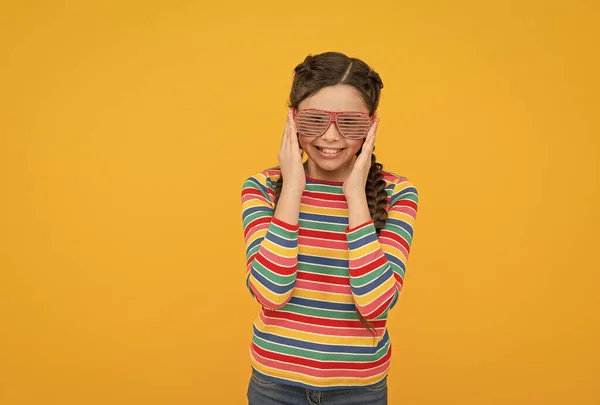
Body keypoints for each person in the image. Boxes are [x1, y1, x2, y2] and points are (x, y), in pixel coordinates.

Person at [241, 51, 419, 405]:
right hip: (274, 385)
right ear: (292, 120)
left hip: (360, 390)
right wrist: (292, 188)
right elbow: (271, 292)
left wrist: (355, 194)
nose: (332, 136)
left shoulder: (398, 193)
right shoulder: (261, 188)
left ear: (371, 125)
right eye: (314, 121)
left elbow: (376, 304)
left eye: (350, 123)